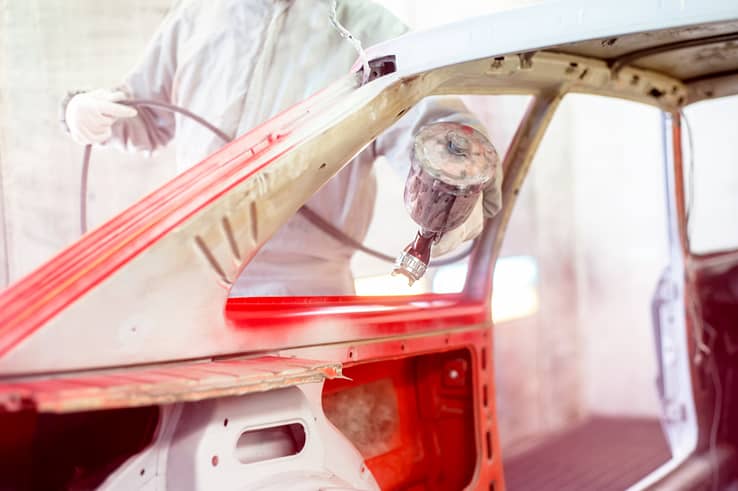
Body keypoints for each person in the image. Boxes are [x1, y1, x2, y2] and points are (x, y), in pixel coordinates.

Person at [61, 0, 501, 296]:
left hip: (303, 291)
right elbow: (147, 119)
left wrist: (457, 202)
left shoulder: (365, 27)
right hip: (193, 282)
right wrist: (86, 112)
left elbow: (441, 131)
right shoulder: (198, 15)